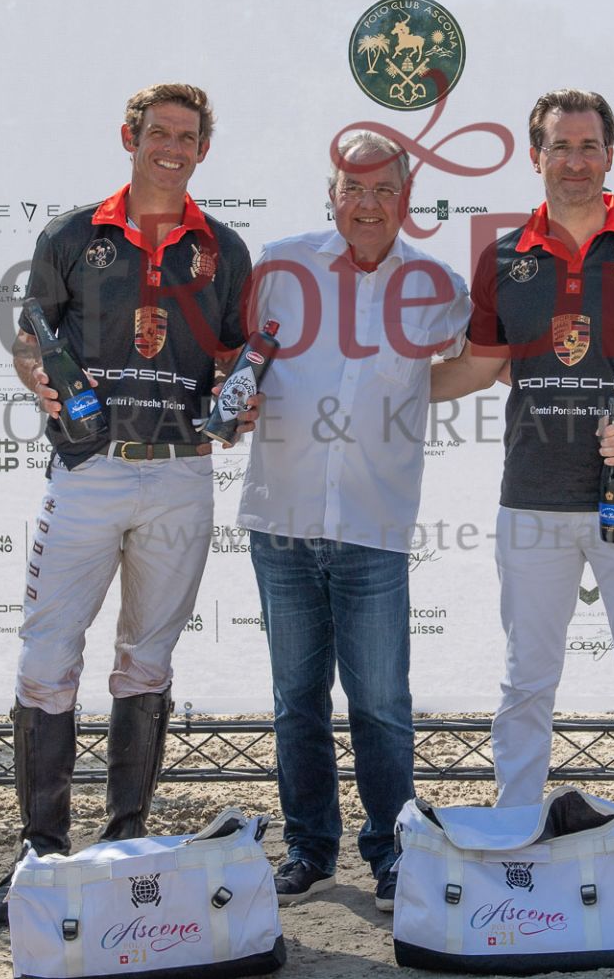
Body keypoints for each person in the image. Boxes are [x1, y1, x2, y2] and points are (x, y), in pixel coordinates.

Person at [430, 88, 614, 925]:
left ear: (610, 155)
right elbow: (480, 365)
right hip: (532, 499)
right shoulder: (503, 258)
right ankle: (517, 840)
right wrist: (385, 384)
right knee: (527, 681)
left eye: (589, 145)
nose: (575, 160)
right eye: (560, 146)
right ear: (536, 156)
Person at [0, 83, 253, 930]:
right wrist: (39, 379)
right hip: (88, 467)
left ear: (203, 149)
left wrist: (239, 399)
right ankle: (41, 851)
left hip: (181, 470)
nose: (172, 147)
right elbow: (31, 340)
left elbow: (237, 354)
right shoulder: (70, 236)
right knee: (46, 655)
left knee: (147, 661)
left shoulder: (225, 247)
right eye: (158, 132)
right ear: (129, 138)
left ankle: (126, 838)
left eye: (187, 137)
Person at [237, 130, 470, 913]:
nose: (367, 204)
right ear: (330, 192)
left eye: (383, 189)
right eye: (352, 187)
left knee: (380, 705)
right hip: (282, 519)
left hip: (373, 524)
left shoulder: (437, 285)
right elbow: (239, 361)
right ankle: (309, 850)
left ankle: (392, 852)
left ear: (407, 196)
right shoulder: (277, 268)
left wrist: (411, 392)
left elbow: (480, 359)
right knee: (296, 700)